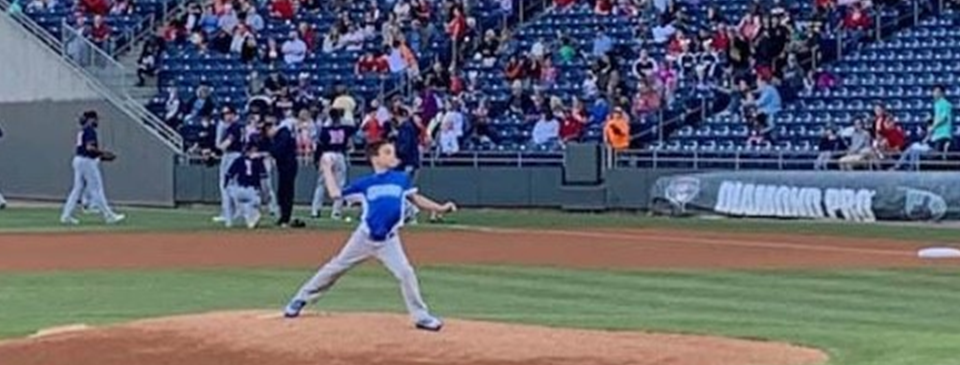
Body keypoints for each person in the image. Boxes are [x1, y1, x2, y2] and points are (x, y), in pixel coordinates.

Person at [282, 140, 457, 332]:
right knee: (335, 267)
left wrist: (440, 208)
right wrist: (326, 168)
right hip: (364, 237)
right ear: (375, 158)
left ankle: (421, 316)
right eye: (388, 152)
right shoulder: (365, 184)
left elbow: (417, 198)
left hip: (389, 239)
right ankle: (300, 299)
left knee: (406, 272)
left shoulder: (401, 178)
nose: (393, 156)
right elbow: (335, 194)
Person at [60, 111, 125, 225]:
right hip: (86, 161)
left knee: (77, 189)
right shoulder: (90, 130)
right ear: (91, 119)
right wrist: (104, 153)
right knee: (96, 189)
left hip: (79, 159)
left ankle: (66, 215)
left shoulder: (83, 130)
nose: (97, 122)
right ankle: (109, 216)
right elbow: (90, 148)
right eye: (96, 119)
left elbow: (86, 149)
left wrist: (102, 157)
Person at [311, 108, 354, 220]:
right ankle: (336, 212)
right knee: (340, 184)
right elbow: (354, 127)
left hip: (327, 155)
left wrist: (316, 159)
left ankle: (315, 210)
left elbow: (319, 146)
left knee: (321, 184)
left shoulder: (325, 130)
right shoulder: (345, 128)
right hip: (339, 155)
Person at [224, 142, 268, 229]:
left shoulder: (239, 160)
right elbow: (264, 180)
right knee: (252, 205)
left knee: (231, 197)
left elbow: (228, 175)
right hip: (254, 192)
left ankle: (229, 221)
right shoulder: (259, 161)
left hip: (239, 191)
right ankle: (251, 217)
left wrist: (227, 187)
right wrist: (265, 195)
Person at [213, 107, 244, 225]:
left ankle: (230, 214)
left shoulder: (234, 127)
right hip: (232, 155)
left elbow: (227, 144)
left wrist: (216, 149)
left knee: (227, 185)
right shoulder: (232, 126)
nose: (227, 116)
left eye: (229, 113)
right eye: (225, 114)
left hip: (232, 155)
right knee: (232, 185)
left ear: (234, 114)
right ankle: (233, 213)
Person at [269, 113, 299, 227]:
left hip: (288, 165)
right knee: (283, 192)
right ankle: (283, 217)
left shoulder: (283, 134)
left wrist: (270, 149)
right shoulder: (282, 134)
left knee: (286, 192)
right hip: (284, 165)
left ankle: (285, 217)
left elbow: (278, 151)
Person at [930, 84, 954, 157]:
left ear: (942, 93)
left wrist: (933, 126)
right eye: (934, 91)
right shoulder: (936, 104)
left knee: (937, 158)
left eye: (937, 91)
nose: (935, 93)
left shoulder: (945, 103)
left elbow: (943, 118)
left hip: (944, 134)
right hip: (937, 134)